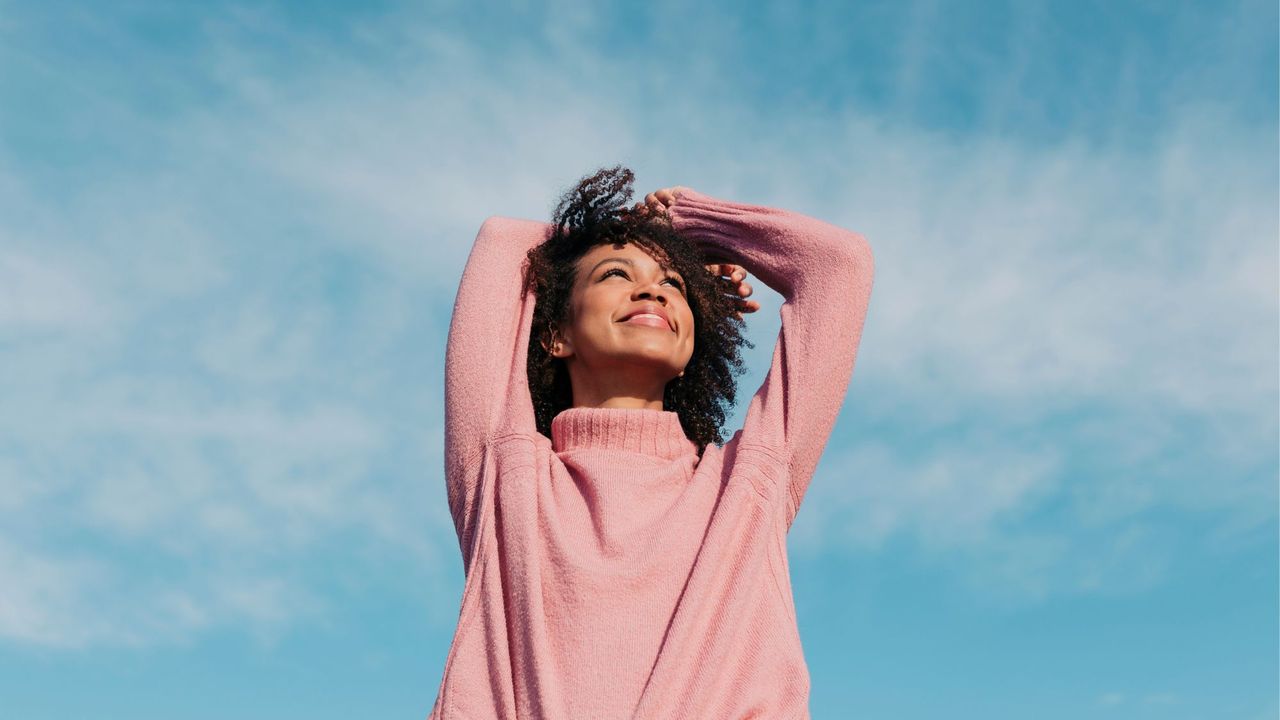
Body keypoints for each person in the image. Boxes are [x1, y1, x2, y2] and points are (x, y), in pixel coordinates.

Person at [429, 165, 875, 719]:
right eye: (616, 274)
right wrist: (632, 235)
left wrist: (690, 223)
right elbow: (504, 240)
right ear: (555, 334)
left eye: (675, 285)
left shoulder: (747, 485)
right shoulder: (503, 472)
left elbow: (838, 264)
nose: (651, 289)